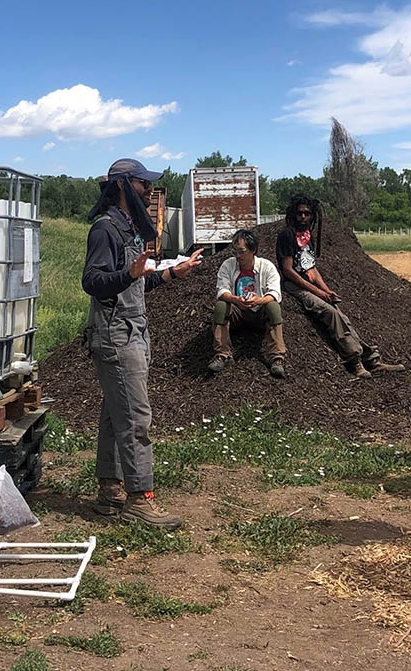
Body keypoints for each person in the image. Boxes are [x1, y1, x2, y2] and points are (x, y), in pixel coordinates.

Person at [82, 158, 203, 530]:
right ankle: (140, 498)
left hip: (132, 328)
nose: (149, 191)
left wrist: (169, 273)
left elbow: (136, 283)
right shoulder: (105, 229)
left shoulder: (128, 228)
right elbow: (93, 281)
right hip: (116, 333)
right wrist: (128, 273)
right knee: (135, 417)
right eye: (142, 184)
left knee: (114, 414)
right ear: (121, 185)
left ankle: (109, 489)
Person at [276, 195, 405, 379]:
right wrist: (318, 292)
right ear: (293, 214)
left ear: (312, 215)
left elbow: (311, 267)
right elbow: (288, 271)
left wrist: (326, 290)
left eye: (307, 213)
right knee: (331, 314)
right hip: (294, 287)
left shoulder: (306, 236)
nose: (303, 217)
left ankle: (372, 360)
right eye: (300, 213)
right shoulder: (286, 235)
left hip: (311, 284)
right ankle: (354, 362)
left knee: (342, 315)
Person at [209, 229, 286, 379]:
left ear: (253, 249)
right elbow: (221, 290)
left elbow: (275, 293)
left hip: (259, 315)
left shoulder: (267, 267)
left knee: (273, 307)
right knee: (221, 306)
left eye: (241, 252)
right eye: (235, 252)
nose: (238, 256)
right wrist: (235, 299)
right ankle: (222, 354)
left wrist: (259, 300)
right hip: (238, 313)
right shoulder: (228, 266)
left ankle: (277, 358)